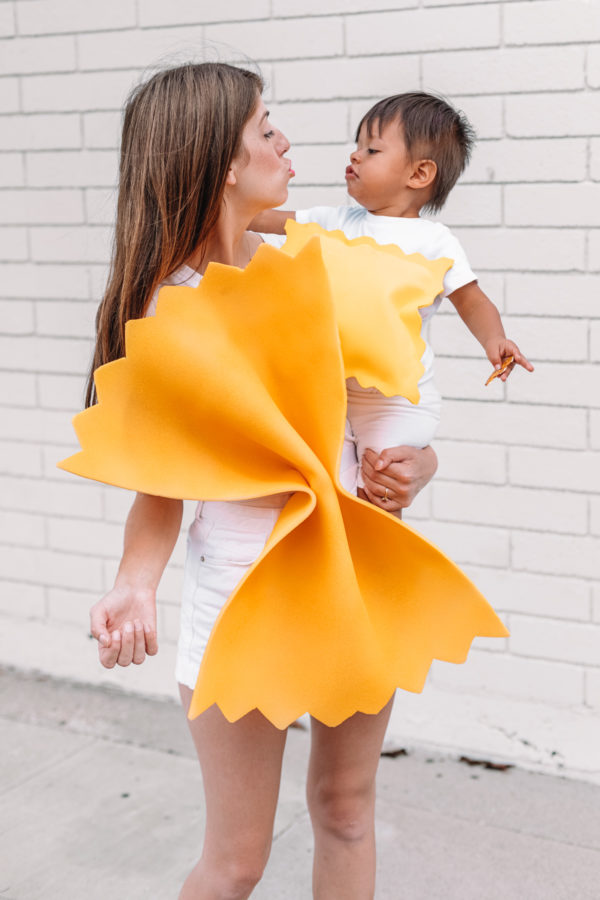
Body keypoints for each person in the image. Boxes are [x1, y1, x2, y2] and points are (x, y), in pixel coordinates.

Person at [83, 64, 441, 900]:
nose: (288, 144)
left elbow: (382, 418)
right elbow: (161, 481)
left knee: (347, 810)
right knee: (237, 859)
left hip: (357, 584)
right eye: (266, 129)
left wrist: (416, 465)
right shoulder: (169, 311)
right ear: (222, 163)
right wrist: (135, 585)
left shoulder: (318, 264)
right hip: (242, 603)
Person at [251, 92, 534, 495]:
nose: (355, 156)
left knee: (381, 486)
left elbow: (472, 300)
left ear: (419, 174)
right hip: (332, 388)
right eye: (356, 146)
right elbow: (259, 219)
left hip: (394, 403)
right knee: (335, 483)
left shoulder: (435, 241)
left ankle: (384, 552)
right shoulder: (333, 221)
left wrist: (495, 339)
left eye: (372, 149)